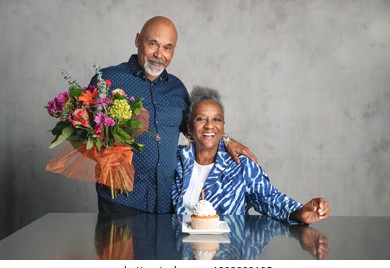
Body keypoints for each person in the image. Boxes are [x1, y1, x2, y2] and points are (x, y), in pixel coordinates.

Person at [89, 16, 257, 214]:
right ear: (137, 40)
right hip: (122, 200)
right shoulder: (108, 80)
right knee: (118, 246)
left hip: (167, 202)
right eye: (153, 44)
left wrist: (227, 140)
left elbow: (194, 130)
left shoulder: (176, 88)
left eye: (168, 48)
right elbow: (87, 133)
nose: (159, 54)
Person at [172, 86, 331, 224]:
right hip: (178, 252)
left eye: (216, 119)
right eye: (200, 119)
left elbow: (269, 199)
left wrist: (300, 213)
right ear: (189, 126)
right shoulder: (175, 160)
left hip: (226, 252)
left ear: (223, 126)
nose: (209, 126)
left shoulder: (240, 165)